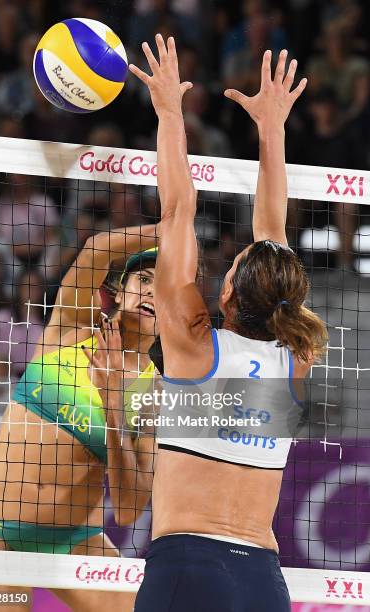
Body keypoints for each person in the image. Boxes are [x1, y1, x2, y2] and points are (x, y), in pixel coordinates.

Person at [130, 36, 328, 611]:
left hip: (189, 568)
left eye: (235, 263)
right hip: (264, 582)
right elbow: (274, 241)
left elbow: (176, 211)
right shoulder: (295, 359)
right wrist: (272, 130)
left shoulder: (194, 346)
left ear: (228, 292)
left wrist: (170, 113)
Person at [0, 226, 158, 612]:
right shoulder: (69, 330)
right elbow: (95, 249)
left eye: (167, 290)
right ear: (119, 290)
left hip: (77, 540)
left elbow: (128, 508)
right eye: (144, 279)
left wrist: (114, 403)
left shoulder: (155, 395)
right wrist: (168, 229)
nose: (153, 291)